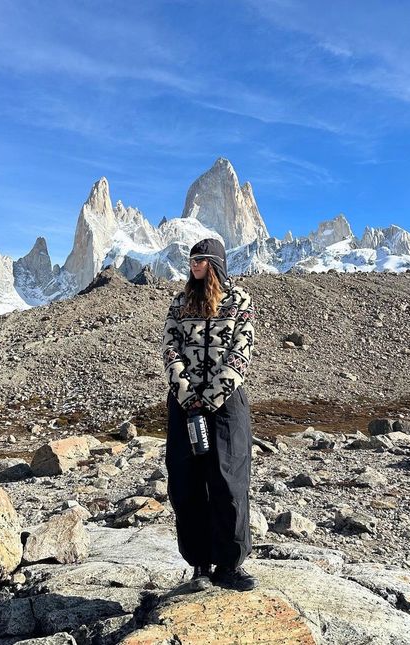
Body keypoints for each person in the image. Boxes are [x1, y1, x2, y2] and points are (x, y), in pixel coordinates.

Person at [162, 238, 258, 592]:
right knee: (186, 482)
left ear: (216, 263)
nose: (194, 266)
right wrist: (187, 394)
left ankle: (230, 565)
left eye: (201, 260)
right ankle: (199, 564)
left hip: (227, 404)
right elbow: (169, 346)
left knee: (229, 481)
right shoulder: (180, 301)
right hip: (184, 402)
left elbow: (242, 350)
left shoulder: (239, 300)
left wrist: (213, 396)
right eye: (191, 260)